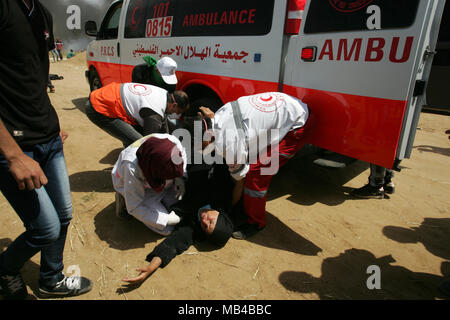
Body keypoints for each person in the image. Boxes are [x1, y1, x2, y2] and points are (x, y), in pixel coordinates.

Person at [0, 0, 92, 299]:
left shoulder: (41, 12)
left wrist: (49, 120)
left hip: (49, 139)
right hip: (15, 147)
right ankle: (5, 269)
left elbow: (33, 76)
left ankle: (50, 278)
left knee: (64, 215)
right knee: (46, 229)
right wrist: (13, 155)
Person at [122, 117, 236, 284]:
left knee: (167, 227)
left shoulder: (194, 222)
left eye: (204, 226)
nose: (204, 219)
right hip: (194, 161)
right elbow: (224, 166)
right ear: (220, 215)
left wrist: (153, 265)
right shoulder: (222, 195)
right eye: (211, 221)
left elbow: (177, 242)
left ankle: (126, 194)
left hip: (173, 183)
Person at [200, 92, 310, 240]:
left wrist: (229, 209)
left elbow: (240, 180)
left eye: (202, 146)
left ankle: (256, 223)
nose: (202, 149)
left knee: (256, 175)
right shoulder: (219, 114)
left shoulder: (229, 145)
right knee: (252, 157)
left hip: (297, 125)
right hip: (292, 106)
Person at [112, 133, 188, 236]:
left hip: (159, 179)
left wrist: (180, 177)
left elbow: (181, 158)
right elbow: (135, 206)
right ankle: (124, 198)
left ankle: (163, 190)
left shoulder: (172, 142)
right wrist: (166, 220)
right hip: (139, 188)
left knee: (183, 208)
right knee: (167, 228)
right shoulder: (130, 166)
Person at [85, 82, 190, 148]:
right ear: (174, 105)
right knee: (140, 145)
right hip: (100, 107)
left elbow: (163, 128)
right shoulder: (154, 113)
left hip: (106, 95)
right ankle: (130, 173)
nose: (175, 115)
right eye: (177, 112)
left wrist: (169, 140)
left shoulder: (164, 94)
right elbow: (149, 142)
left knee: (135, 137)